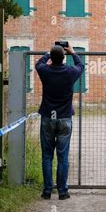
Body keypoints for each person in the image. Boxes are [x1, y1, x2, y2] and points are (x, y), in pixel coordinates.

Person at [35, 43, 84, 200]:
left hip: (48, 117)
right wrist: (73, 52)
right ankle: (62, 191)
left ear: (51, 57)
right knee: (63, 156)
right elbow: (81, 65)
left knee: (47, 156)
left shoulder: (45, 71)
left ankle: (47, 191)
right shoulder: (70, 72)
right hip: (64, 118)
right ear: (64, 57)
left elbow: (38, 64)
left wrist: (48, 53)